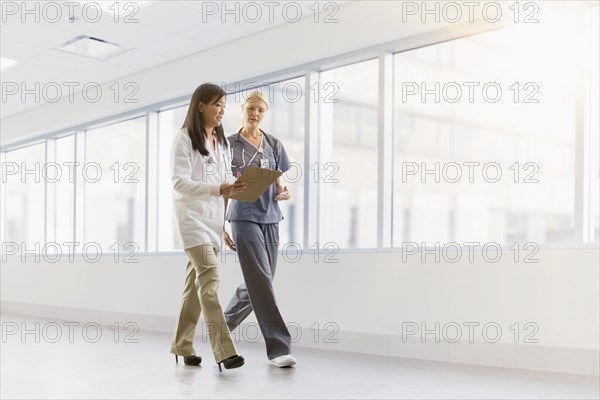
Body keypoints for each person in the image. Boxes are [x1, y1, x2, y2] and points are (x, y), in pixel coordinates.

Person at [170, 83, 246, 372]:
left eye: (224, 106)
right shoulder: (184, 139)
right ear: (200, 105)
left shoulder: (222, 143)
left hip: (213, 223)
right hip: (191, 222)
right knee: (211, 280)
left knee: (193, 288)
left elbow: (225, 188)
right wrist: (220, 187)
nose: (222, 110)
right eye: (217, 104)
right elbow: (179, 182)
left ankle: (182, 345)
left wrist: (223, 224)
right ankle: (224, 351)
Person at [223, 90, 296, 367]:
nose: (255, 114)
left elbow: (279, 184)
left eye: (260, 110)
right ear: (242, 110)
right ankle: (279, 348)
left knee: (261, 280)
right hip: (242, 216)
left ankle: (221, 325)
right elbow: (222, 188)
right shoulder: (229, 145)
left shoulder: (274, 144)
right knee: (261, 280)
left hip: (271, 217)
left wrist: (284, 193)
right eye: (251, 108)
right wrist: (221, 227)